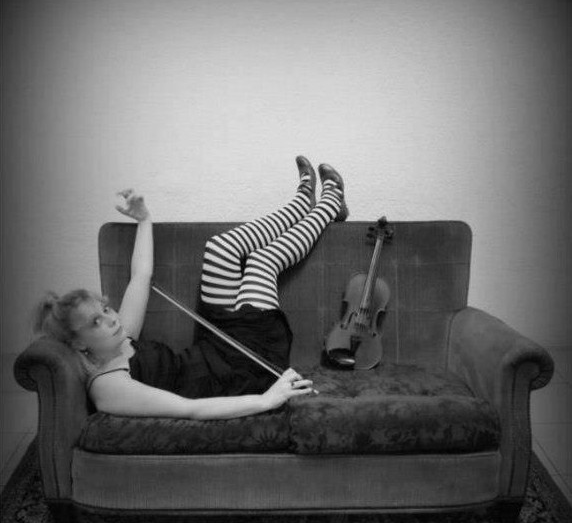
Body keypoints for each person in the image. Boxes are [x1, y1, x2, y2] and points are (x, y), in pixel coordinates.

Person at [33, 157, 348, 420]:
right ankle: (330, 203)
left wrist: (144, 219)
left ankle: (301, 202)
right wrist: (267, 399)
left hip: (217, 343)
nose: (110, 318)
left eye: (105, 308)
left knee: (221, 248)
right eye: (95, 322)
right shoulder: (108, 386)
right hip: (245, 369)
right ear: (78, 343)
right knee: (262, 262)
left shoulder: (121, 337)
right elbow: (190, 408)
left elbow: (140, 276)